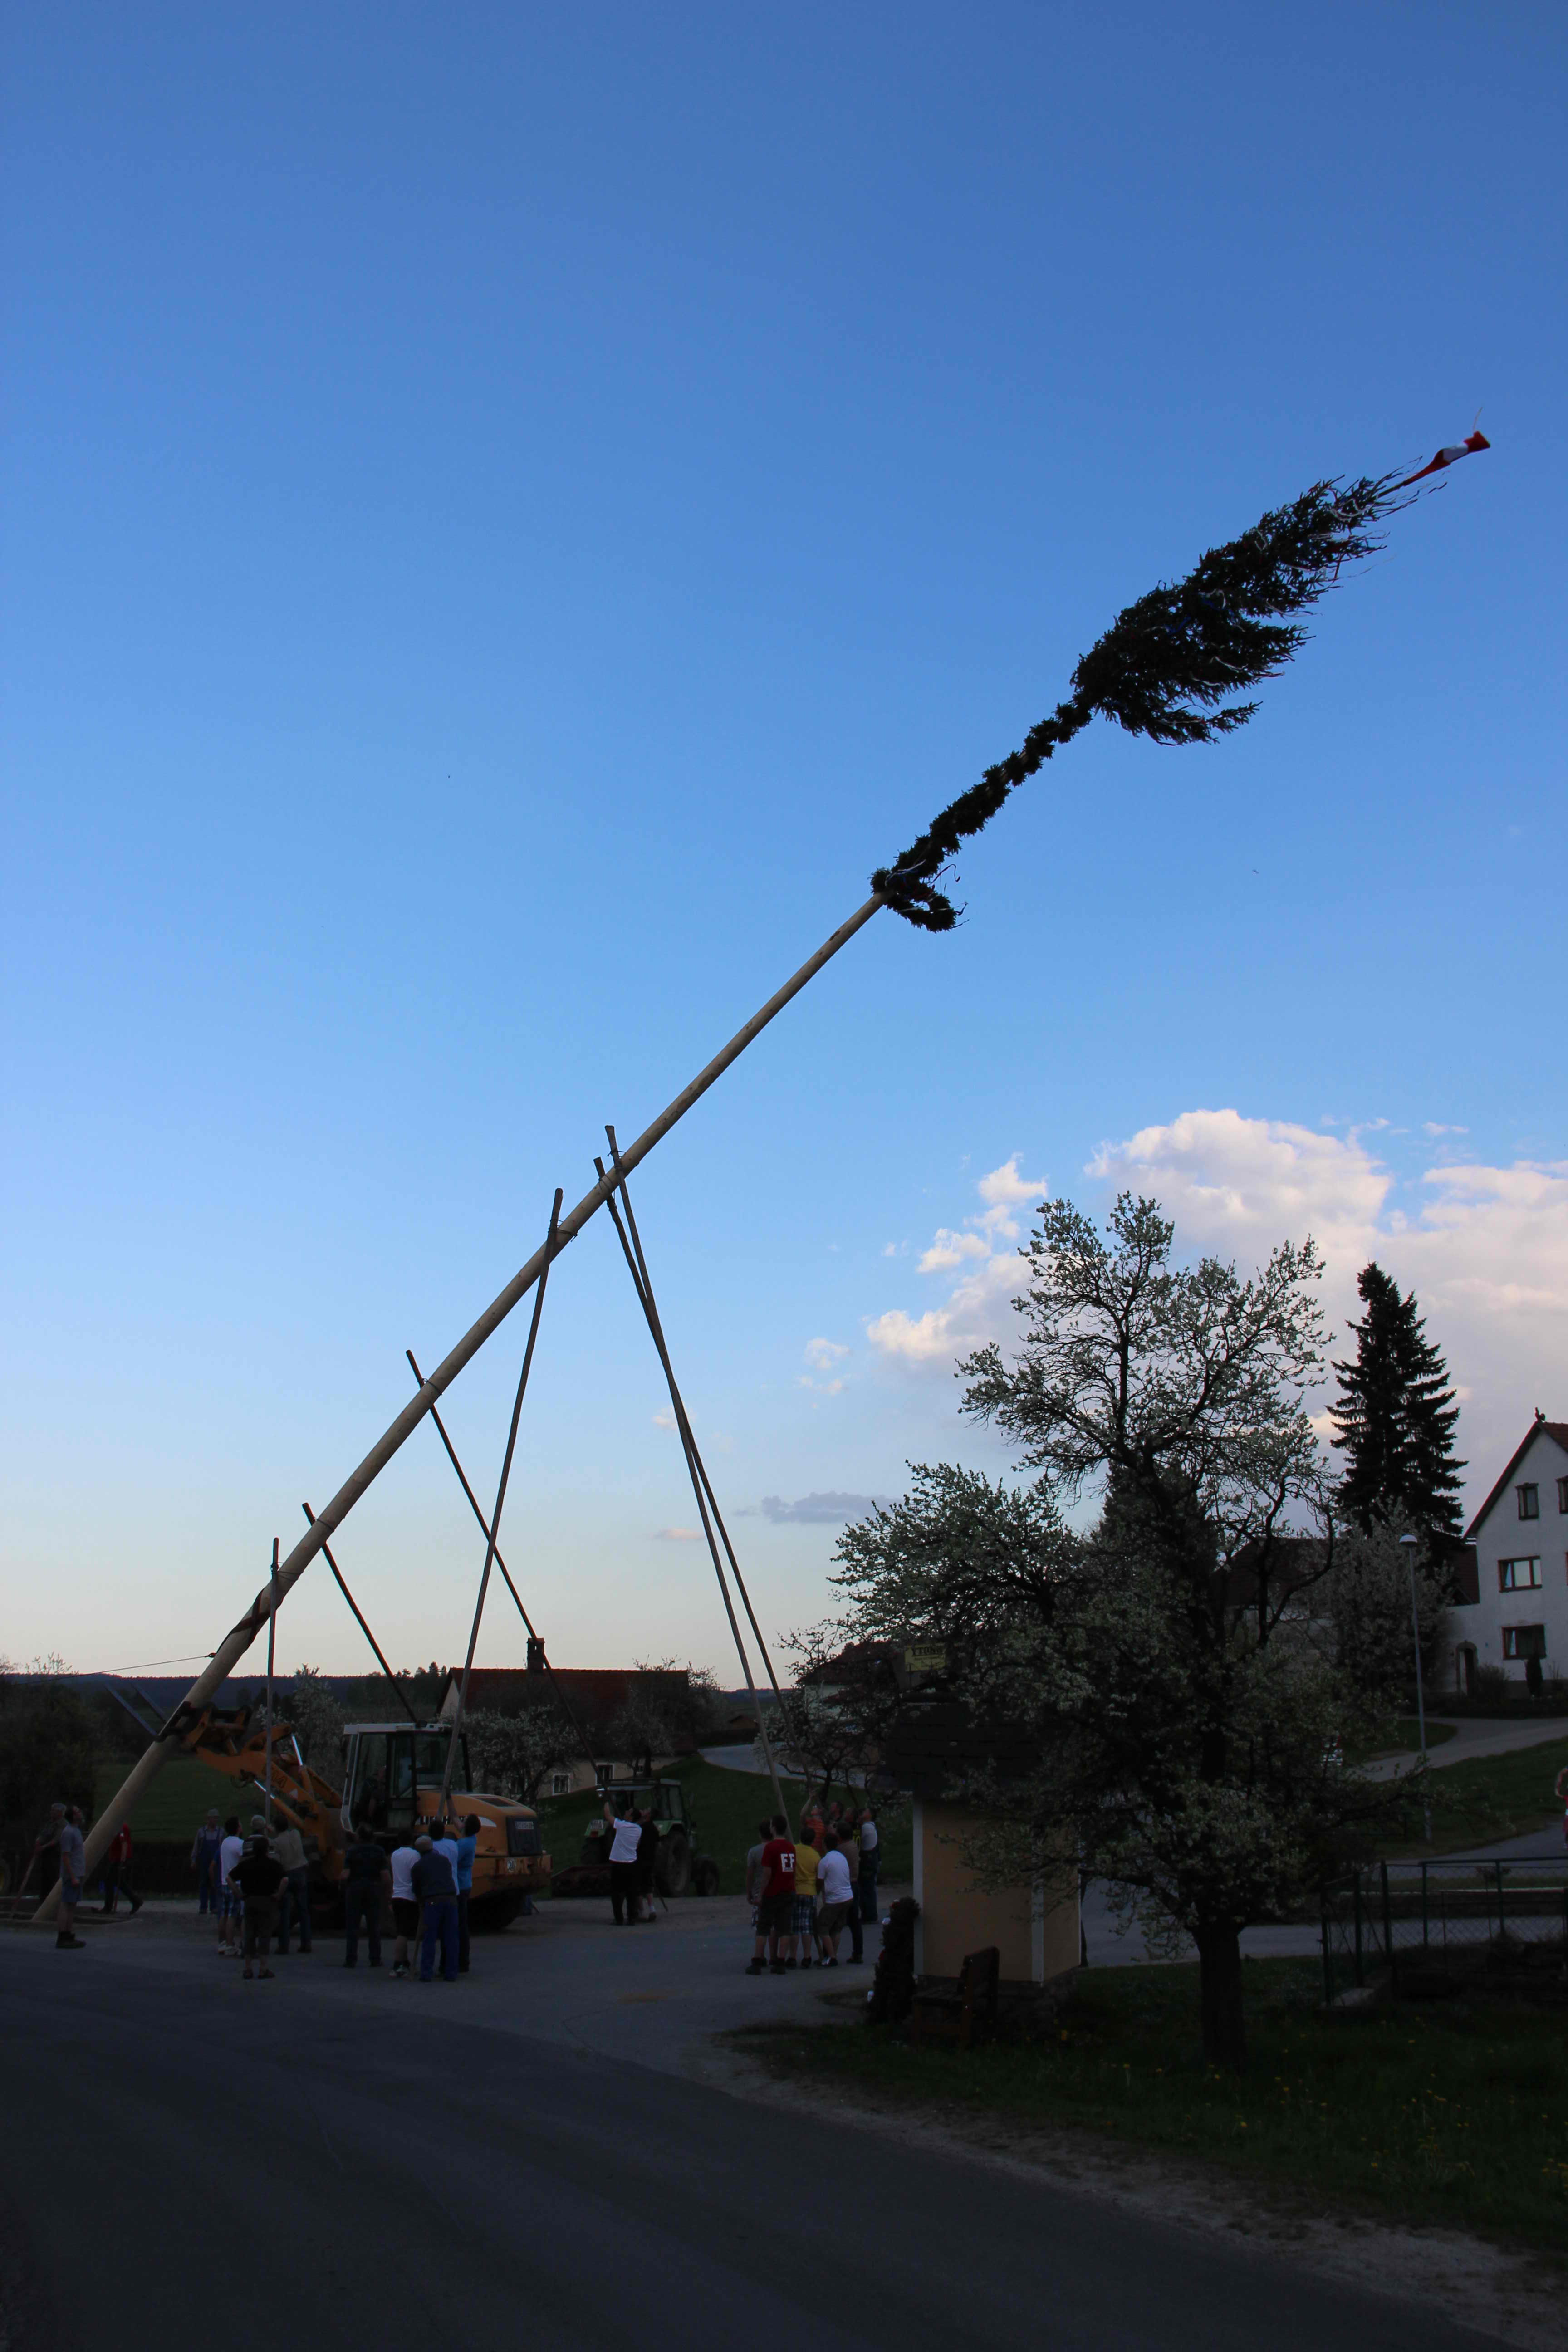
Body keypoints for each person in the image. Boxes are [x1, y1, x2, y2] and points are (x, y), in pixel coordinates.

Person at [230, 1820, 284, 1980]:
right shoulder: (273, 1865)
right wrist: (278, 1895)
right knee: (264, 1935)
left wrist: (239, 1894)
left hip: (250, 1901)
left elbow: (229, 1878)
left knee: (249, 1934)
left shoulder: (247, 1865)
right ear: (267, 1849)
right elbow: (286, 1880)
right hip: (267, 1901)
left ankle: (248, 1969)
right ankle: (263, 1968)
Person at [412, 1833, 459, 1983]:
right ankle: (451, 1973)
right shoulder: (444, 1861)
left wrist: (421, 1903)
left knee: (430, 1937)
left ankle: (426, 1973)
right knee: (450, 1937)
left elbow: (417, 1889)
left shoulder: (418, 1866)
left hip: (433, 1901)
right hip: (451, 1900)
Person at [341, 1828, 391, 1969]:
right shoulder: (379, 1852)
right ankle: (375, 1959)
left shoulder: (352, 1851)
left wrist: (343, 1886)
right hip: (374, 1890)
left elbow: (345, 1875)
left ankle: (351, 1959)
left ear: (359, 1837)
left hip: (355, 1890)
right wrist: (388, 1893)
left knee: (353, 1926)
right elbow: (386, 1876)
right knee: (374, 1926)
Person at [755, 1814, 796, 1976]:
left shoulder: (770, 1848)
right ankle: (781, 1962)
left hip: (773, 1892)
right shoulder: (791, 1847)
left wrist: (761, 1894)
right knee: (784, 1928)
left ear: (773, 1828)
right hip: (788, 1891)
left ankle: (757, 1961)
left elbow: (767, 1873)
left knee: (763, 1928)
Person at [272, 1818, 312, 1955]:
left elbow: (277, 1862)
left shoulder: (276, 1842)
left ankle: (284, 1946)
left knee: (285, 1912)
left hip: (287, 1873)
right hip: (300, 1872)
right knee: (304, 1911)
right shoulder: (295, 1834)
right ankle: (306, 1943)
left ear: (276, 1828)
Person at [815, 1832, 853, 1966]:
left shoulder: (824, 1861)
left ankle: (831, 1957)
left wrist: (816, 1893)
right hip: (848, 1896)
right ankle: (833, 1955)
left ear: (825, 1845)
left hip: (835, 1900)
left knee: (822, 1927)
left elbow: (820, 1881)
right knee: (837, 1928)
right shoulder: (842, 1857)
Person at [604, 1798, 643, 1926]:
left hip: (618, 1863)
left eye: (629, 1811)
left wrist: (606, 1802)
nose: (626, 1811)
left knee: (616, 1893)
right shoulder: (638, 1829)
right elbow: (637, 1845)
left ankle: (619, 1919)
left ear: (631, 1817)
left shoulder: (621, 1825)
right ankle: (632, 1918)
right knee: (631, 1893)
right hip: (632, 1863)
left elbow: (608, 1816)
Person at [388, 1832, 421, 1979]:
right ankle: (398, 1964)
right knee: (403, 1933)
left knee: (403, 1931)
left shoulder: (395, 1855)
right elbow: (416, 1874)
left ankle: (404, 1961)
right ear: (412, 1840)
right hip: (409, 1897)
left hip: (397, 1895)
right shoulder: (415, 1855)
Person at [55, 1805, 87, 1951]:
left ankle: (68, 1934)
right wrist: (73, 1877)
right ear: (73, 1816)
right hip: (72, 1875)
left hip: (78, 1873)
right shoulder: (68, 1832)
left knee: (72, 1905)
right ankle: (62, 1936)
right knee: (66, 1905)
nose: (80, 1813)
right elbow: (66, 1857)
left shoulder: (76, 1831)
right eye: (78, 1811)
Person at [743, 1818, 773, 1975]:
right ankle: (775, 1956)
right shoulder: (779, 1848)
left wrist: (749, 1892)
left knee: (760, 1927)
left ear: (760, 1834)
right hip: (776, 1890)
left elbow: (750, 1874)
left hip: (758, 1891)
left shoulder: (754, 1851)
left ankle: (760, 1955)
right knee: (774, 1926)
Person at [789, 1825, 821, 1969]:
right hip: (810, 1891)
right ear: (813, 1841)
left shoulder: (793, 1850)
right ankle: (807, 1956)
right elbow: (819, 1877)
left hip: (795, 1891)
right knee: (808, 1927)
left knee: (795, 1926)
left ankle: (792, 1957)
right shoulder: (816, 1856)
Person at [98, 1820, 143, 1916]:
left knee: (109, 1882)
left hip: (118, 1860)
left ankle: (108, 1907)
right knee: (119, 1883)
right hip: (117, 1859)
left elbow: (124, 1844)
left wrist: (122, 1861)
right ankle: (136, 1901)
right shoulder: (119, 1827)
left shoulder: (121, 1828)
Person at [217, 1815, 246, 1956]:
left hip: (224, 1881)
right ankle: (230, 1945)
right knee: (234, 1915)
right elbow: (243, 1863)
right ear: (238, 1828)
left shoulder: (224, 1843)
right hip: (236, 1883)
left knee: (224, 1913)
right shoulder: (240, 1844)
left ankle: (223, 1943)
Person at [455, 1814, 479, 1973]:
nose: (461, 1822)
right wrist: (448, 1798)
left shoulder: (462, 1845)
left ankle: (462, 1961)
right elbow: (455, 1818)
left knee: (461, 1925)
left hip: (460, 1887)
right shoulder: (472, 1839)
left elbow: (452, 1860)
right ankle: (463, 1961)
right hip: (466, 1885)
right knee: (462, 1924)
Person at [838, 1821, 864, 1963]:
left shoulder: (841, 1849)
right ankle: (858, 1952)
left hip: (845, 1885)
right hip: (855, 1883)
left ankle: (830, 1952)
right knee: (855, 1921)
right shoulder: (853, 1846)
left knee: (836, 1920)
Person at [191, 1809, 225, 1916]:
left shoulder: (221, 1832)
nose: (215, 1820)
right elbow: (196, 1847)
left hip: (216, 1862)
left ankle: (214, 1907)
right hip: (204, 1861)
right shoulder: (201, 1832)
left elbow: (223, 1848)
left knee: (215, 1884)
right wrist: (194, 1860)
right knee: (203, 1883)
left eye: (217, 1818)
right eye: (213, 1818)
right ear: (208, 1819)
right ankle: (203, 1907)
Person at [634, 1806, 661, 1926]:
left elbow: (637, 1844)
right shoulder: (655, 1829)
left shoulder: (641, 1828)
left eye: (647, 1810)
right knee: (648, 1885)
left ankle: (641, 1913)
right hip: (651, 1861)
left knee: (638, 1887)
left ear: (648, 1816)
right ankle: (652, 1909)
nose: (644, 1811)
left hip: (640, 1860)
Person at [857, 1806, 880, 1923]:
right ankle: (870, 1914)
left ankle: (869, 1915)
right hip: (871, 1862)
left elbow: (857, 1839)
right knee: (868, 1889)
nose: (862, 1812)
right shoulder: (871, 1827)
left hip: (867, 1863)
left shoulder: (866, 1827)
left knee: (866, 1889)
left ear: (870, 1815)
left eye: (865, 1811)